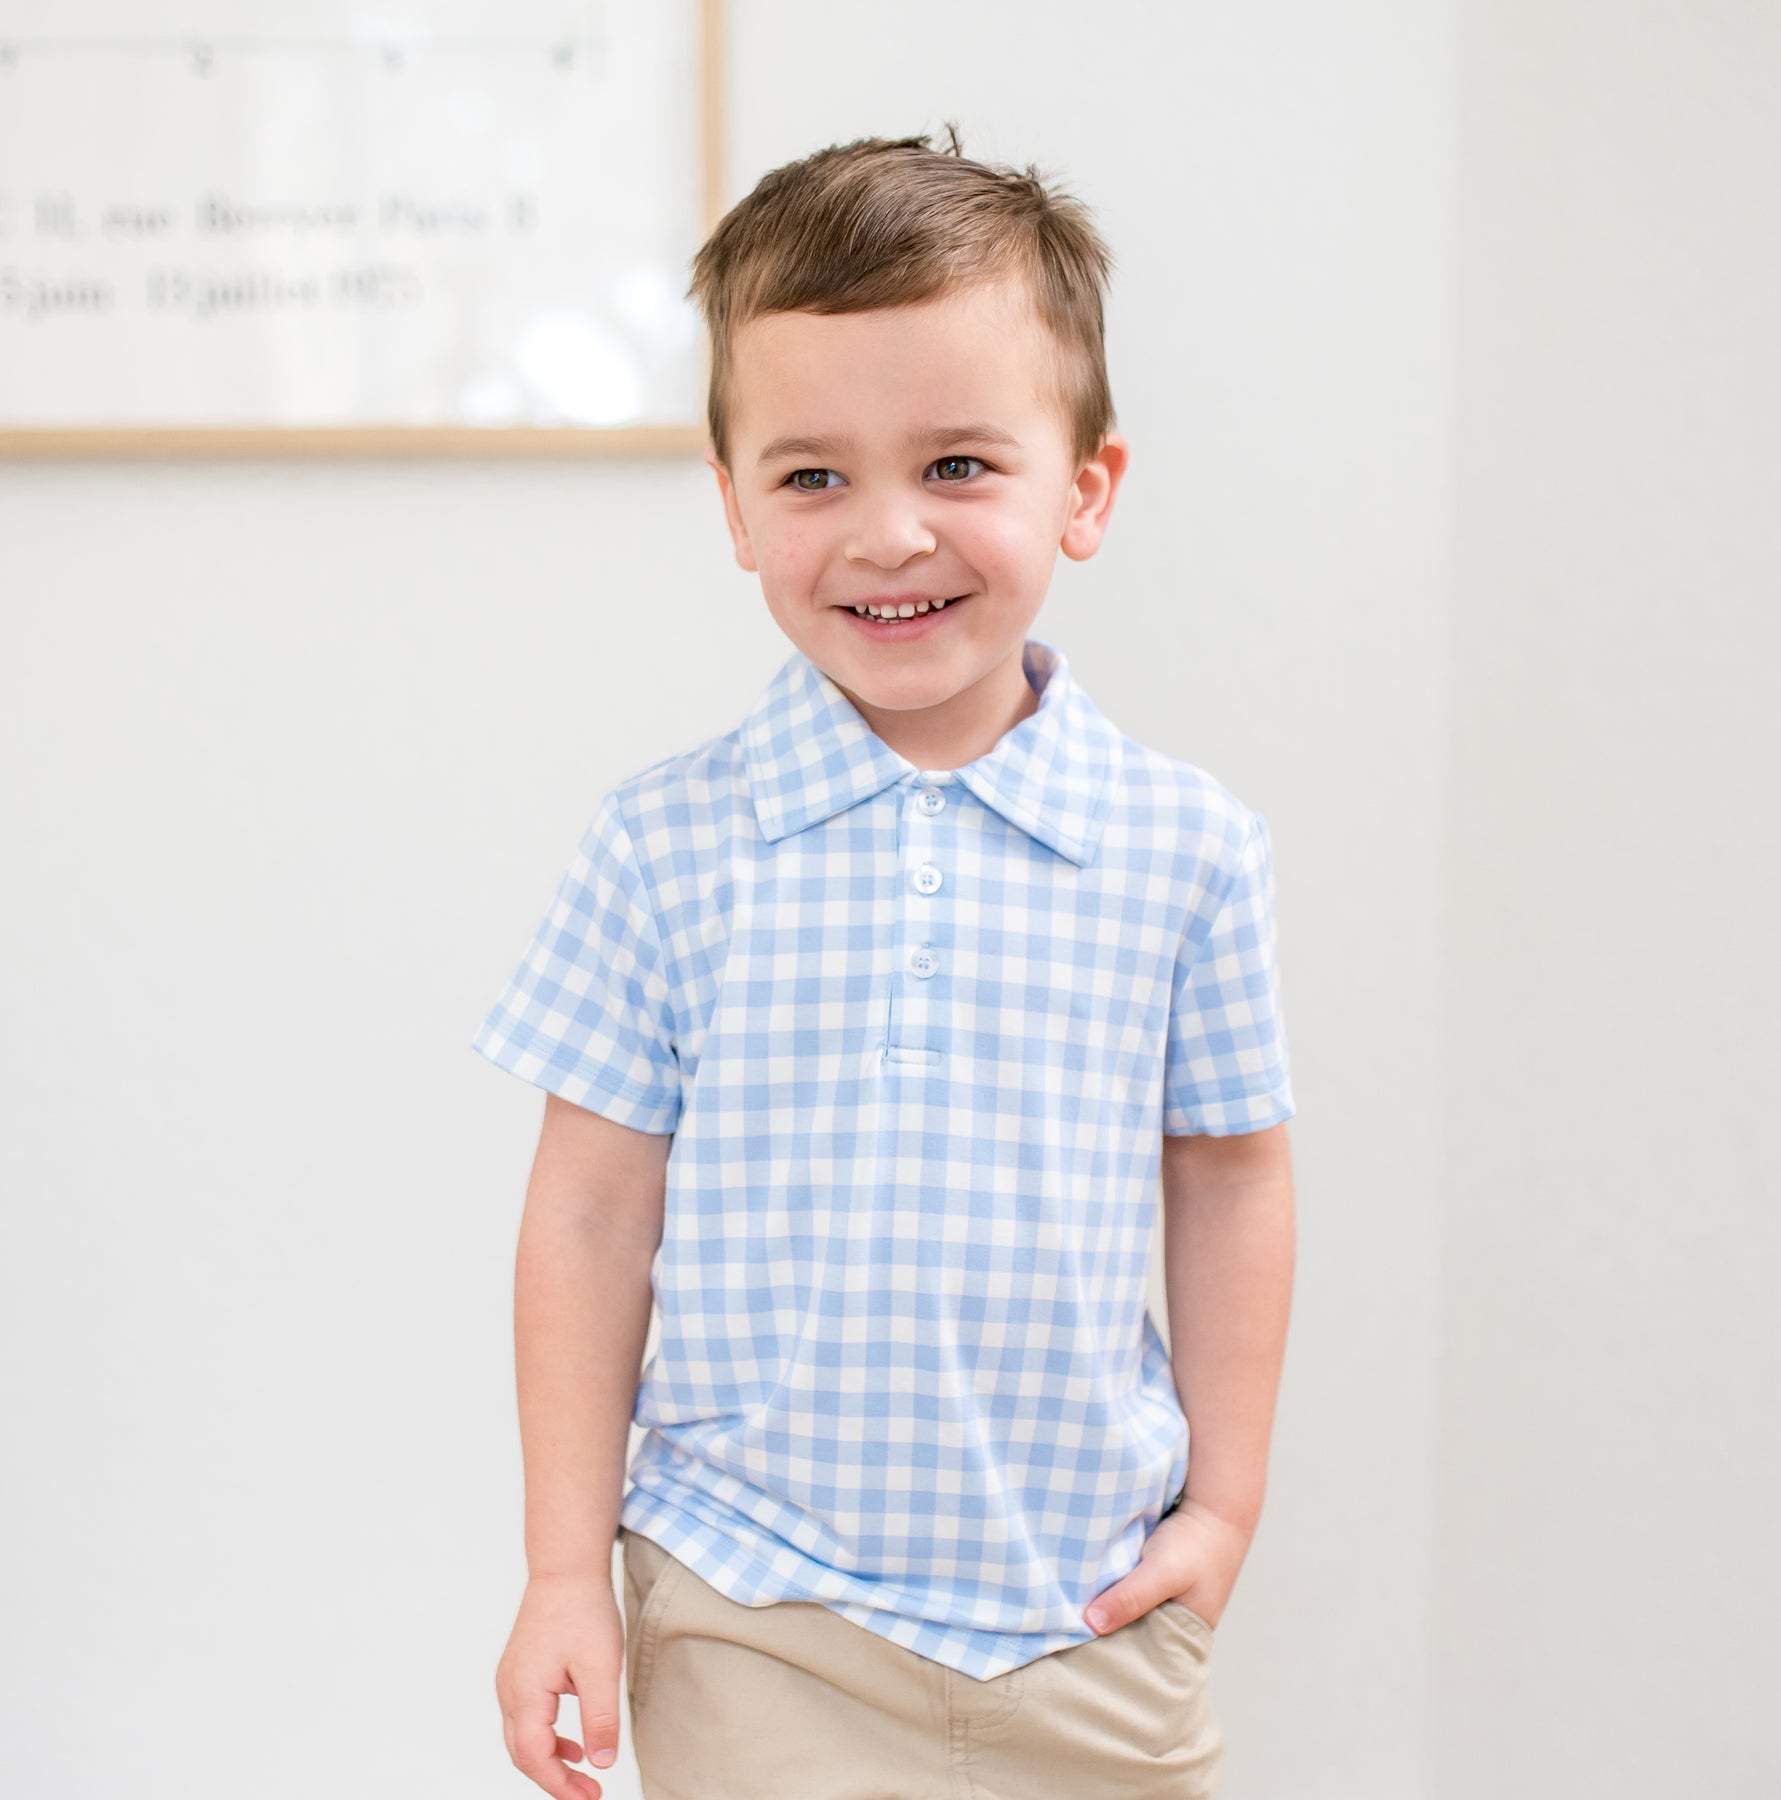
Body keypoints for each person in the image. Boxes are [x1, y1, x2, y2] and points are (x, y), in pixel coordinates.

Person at [473, 126, 1297, 1800]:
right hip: (751, 1603)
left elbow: (1228, 1178)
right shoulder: (666, 849)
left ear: (1087, 488)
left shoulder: (1187, 849)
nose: (890, 533)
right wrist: (567, 1570)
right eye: (814, 476)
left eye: (962, 466)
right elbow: (585, 1213)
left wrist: (1221, 1508)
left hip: (1087, 1612)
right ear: (734, 507)